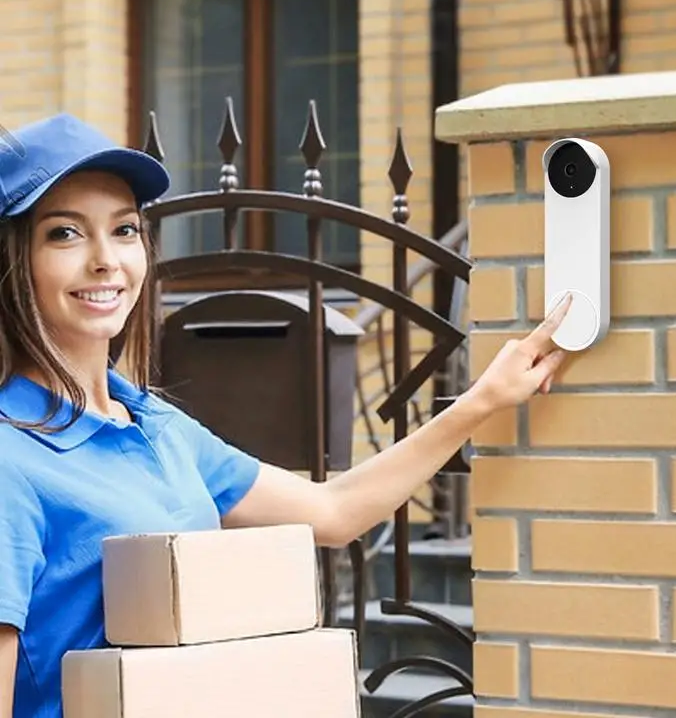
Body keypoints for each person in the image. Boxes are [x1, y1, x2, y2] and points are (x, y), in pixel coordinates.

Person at [0, 113, 572, 718]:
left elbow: (335, 511)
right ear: (14, 262)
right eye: (64, 234)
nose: (105, 260)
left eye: (124, 230)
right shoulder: (12, 458)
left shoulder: (154, 427)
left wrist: (484, 398)